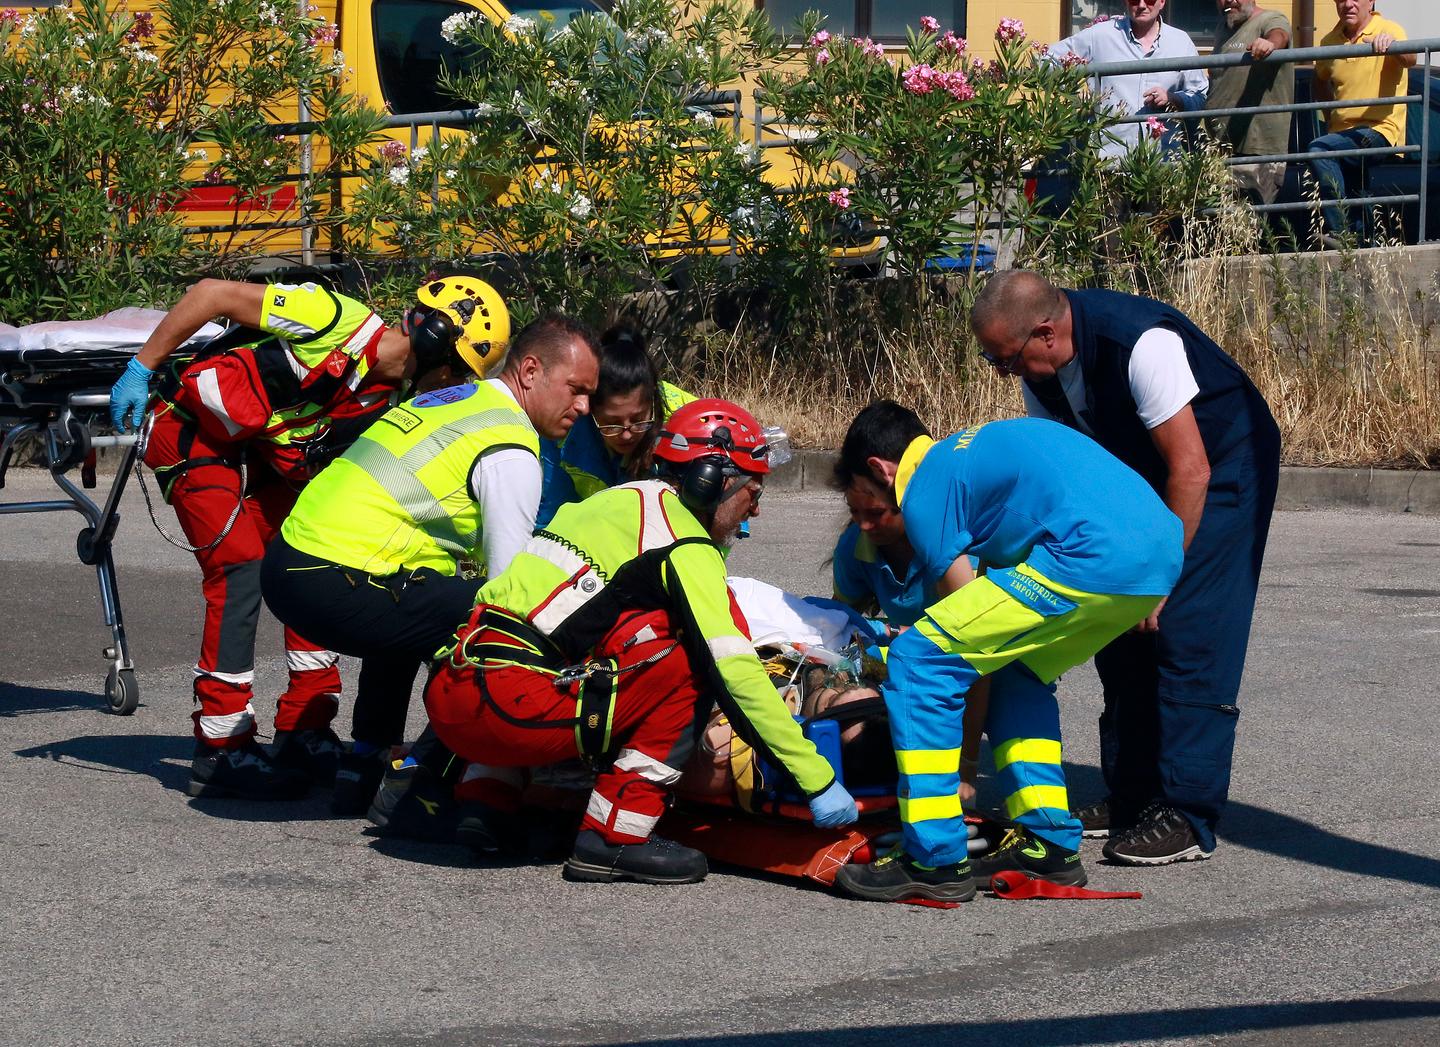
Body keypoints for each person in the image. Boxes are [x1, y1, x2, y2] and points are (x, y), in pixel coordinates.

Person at [421, 398, 858, 884]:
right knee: (689, 663)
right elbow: (735, 671)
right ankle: (615, 835)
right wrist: (815, 780)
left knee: (616, 637)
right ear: (711, 480)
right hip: (513, 711)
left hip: (453, 695)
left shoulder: (613, 503)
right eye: (753, 489)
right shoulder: (684, 543)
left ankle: (488, 804)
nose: (755, 508)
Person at [109, 274, 508, 801]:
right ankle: (221, 744)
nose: (456, 388)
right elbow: (211, 294)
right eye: (458, 372)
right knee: (240, 568)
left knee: (315, 554)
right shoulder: (330, 318)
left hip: (262, 453)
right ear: (434, 340)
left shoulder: (389, 399)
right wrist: (142, 368)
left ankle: (306, 727)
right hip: (193, 433)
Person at [970, 270, 1281, 866]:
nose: (1002, 373)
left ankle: (1187, 812)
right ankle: (1132, 793)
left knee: (1186, 628)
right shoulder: (1043, 374)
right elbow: (1067, 473)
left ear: (1045, 333)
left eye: (1006, 360)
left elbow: (1190, 471)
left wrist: (1160, 580)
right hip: (1141, 471)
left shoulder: (1141, 344)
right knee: (1115, 617)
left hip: (1219, 469)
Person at [832, 404, 1183, 905]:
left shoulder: (926, 490)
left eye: (867, 501)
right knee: (1016, 670)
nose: (865, 519)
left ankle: (932, 857)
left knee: (918, 658)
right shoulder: (967, 455)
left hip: (1089, 554)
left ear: (880, 469)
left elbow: (957, 658)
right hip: (1156, 560)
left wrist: (964, 771)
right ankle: (1048, 843)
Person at [259, 315, 600, 815]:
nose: (584, 406)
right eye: (576, 389)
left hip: (291, 563)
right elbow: (505, 592)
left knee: (419, 600)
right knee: (500, 630)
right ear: (530, 371)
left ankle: (365, 765)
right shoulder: (510, 447)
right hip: (331, 576)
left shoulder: (458, 398)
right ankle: (421, 782)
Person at [537, 325, 694, 527]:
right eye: (612, 424)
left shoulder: (690, 419)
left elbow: (722, 507)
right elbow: (554, 513)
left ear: (653, 399)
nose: (627, 434)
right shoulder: (564, 429)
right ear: (590, 407)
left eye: (638, 419)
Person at [1308, 0, 1415, 242]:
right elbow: (1319, 80)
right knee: (1356, 188)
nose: (1348, 4)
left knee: (1319, 150)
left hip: (1378, 129)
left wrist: (1392, 46)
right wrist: (1330, 119)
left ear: (1371, 1)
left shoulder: (1387, 28)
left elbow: (1411, 59)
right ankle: (1364, 242)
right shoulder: (1329, 41)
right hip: (1344, 135)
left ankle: (1342, 232)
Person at [1051, 0, 1208, 158]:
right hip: (1109, 161)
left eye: (1149, 0)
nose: (1141, 5)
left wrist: (1173, 99)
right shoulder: (1100, 36)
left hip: (1162, 163)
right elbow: (1047, 59)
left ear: (1162, 2)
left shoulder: (1181, 42)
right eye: (1134, 0)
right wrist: (1073, 97)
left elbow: (1200, 97)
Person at [1204, 0, 1293, 204]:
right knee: (1221, 230)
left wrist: (1269, 44)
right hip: (1222, 151)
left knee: (1246, 229)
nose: (1230, 0)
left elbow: (1280, 34)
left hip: (1255, 154)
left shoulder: (1270, 19)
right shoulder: (1223, 28)